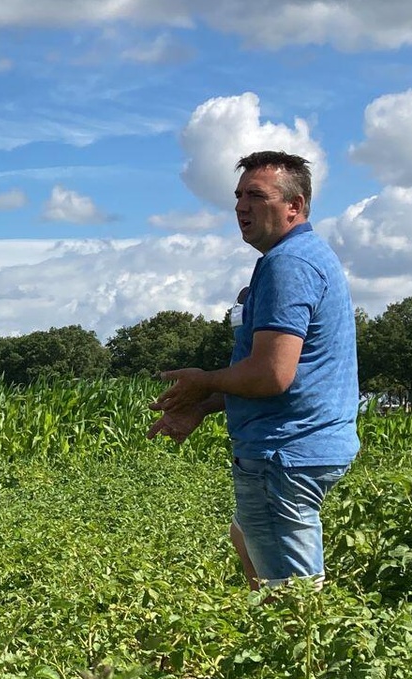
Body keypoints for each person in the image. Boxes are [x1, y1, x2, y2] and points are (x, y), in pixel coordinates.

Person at [149, 150, 359, 590]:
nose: (242, 206)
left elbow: (271, 375)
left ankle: (299, 657)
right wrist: (204, 406)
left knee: (291, 599)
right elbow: (290, 374)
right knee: (244, 536)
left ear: (294, 206)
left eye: (257, 196)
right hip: (300, 447)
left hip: (283, 453)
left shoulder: (291, 264)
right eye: (239, 195)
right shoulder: (297, 258)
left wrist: (203, 379)